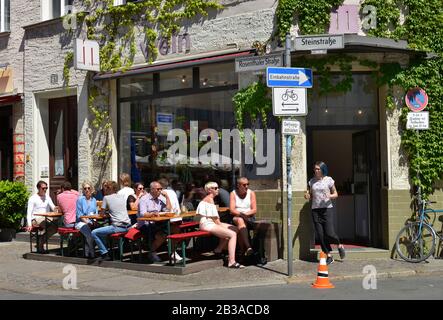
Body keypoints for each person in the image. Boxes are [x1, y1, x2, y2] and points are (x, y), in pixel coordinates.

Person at [304, 161, 345, 265]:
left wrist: (329, 196)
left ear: (323, 169)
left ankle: (339, 244)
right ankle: (329, 256)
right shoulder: (312, 181)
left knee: (329, 233)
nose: (316, 171)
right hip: (315, 210)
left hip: (327, 209)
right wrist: (307, 195)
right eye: (315, 169)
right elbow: (309, 193)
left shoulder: (328, 180)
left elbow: (336, 194)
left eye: (318, 169)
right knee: (320, 235)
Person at [197, 181, 243, 269]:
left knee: (235, 228)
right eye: (215, 188)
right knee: (232, 234)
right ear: (210, 190)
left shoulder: (210, 199)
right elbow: (215, 220)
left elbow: (215, 219)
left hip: (211, 222)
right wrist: (223, 228)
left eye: (218, 188)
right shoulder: (209, 199)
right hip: (207, 224)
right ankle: (232, 261)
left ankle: (218, 250)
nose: (218, 190)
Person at [136, 181, 182, 262]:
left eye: (161, 189)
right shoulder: (144, 199)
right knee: (162, 235)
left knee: (176, 229)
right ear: (152, 189)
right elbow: (143, 214)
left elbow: (168, 209)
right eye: (158, 189)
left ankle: (172, 251)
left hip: (157, 223)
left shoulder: (161, 198)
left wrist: (167, 197)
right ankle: (152, 252)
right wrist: (153, 214)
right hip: (145, 224)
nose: (160, 190)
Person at [92, 181, 131, 261]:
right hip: (128, 225)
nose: (104, 189)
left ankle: (104, 253)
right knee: (103, 230)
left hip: (117, 227)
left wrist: (106, 212)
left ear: (110, 188)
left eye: (106, 187)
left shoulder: (106, 198)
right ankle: (108, 250)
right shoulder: (122, 196)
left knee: (94, 232)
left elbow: (101, 215)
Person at [26, 181, 59, 252]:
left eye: (46, 188)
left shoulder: (47, 197)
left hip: (46, 217)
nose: (45, 190)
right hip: (36, 219)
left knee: (56, 227)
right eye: (43, 188)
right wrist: (29, 225)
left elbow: (53, 207)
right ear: (38, 188)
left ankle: (40, 241)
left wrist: (57, 208)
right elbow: (29, 213)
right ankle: (40, 243)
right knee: (47, 224)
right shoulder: (33, 198)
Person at [229, 177, 255, 256]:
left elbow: (254, 209)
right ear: (238, 185)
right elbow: (232, 210)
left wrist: (245, 215)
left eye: (248, 184)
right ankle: (248, 246)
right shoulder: (233, 194)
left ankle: (242, 250)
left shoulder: (251, 193)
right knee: (240, 220)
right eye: (244, 185)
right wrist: (241, 215)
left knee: (241, 225)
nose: (246, 186)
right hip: (237, 216)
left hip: (249, 216)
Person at [76, 181, 97, 259]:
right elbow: (79, 215)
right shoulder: (80, 200)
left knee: (99, 231)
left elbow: (95, 213)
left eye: (89, 188)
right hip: (80, 222)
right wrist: (87, 222)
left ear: (91, 189)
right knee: (89, 233)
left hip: (91, 221)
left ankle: (87, 251)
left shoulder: (94, 200)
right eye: (85, 188)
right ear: (83, 190)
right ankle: (91, 252)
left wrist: (94, 221)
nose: (87, 190)